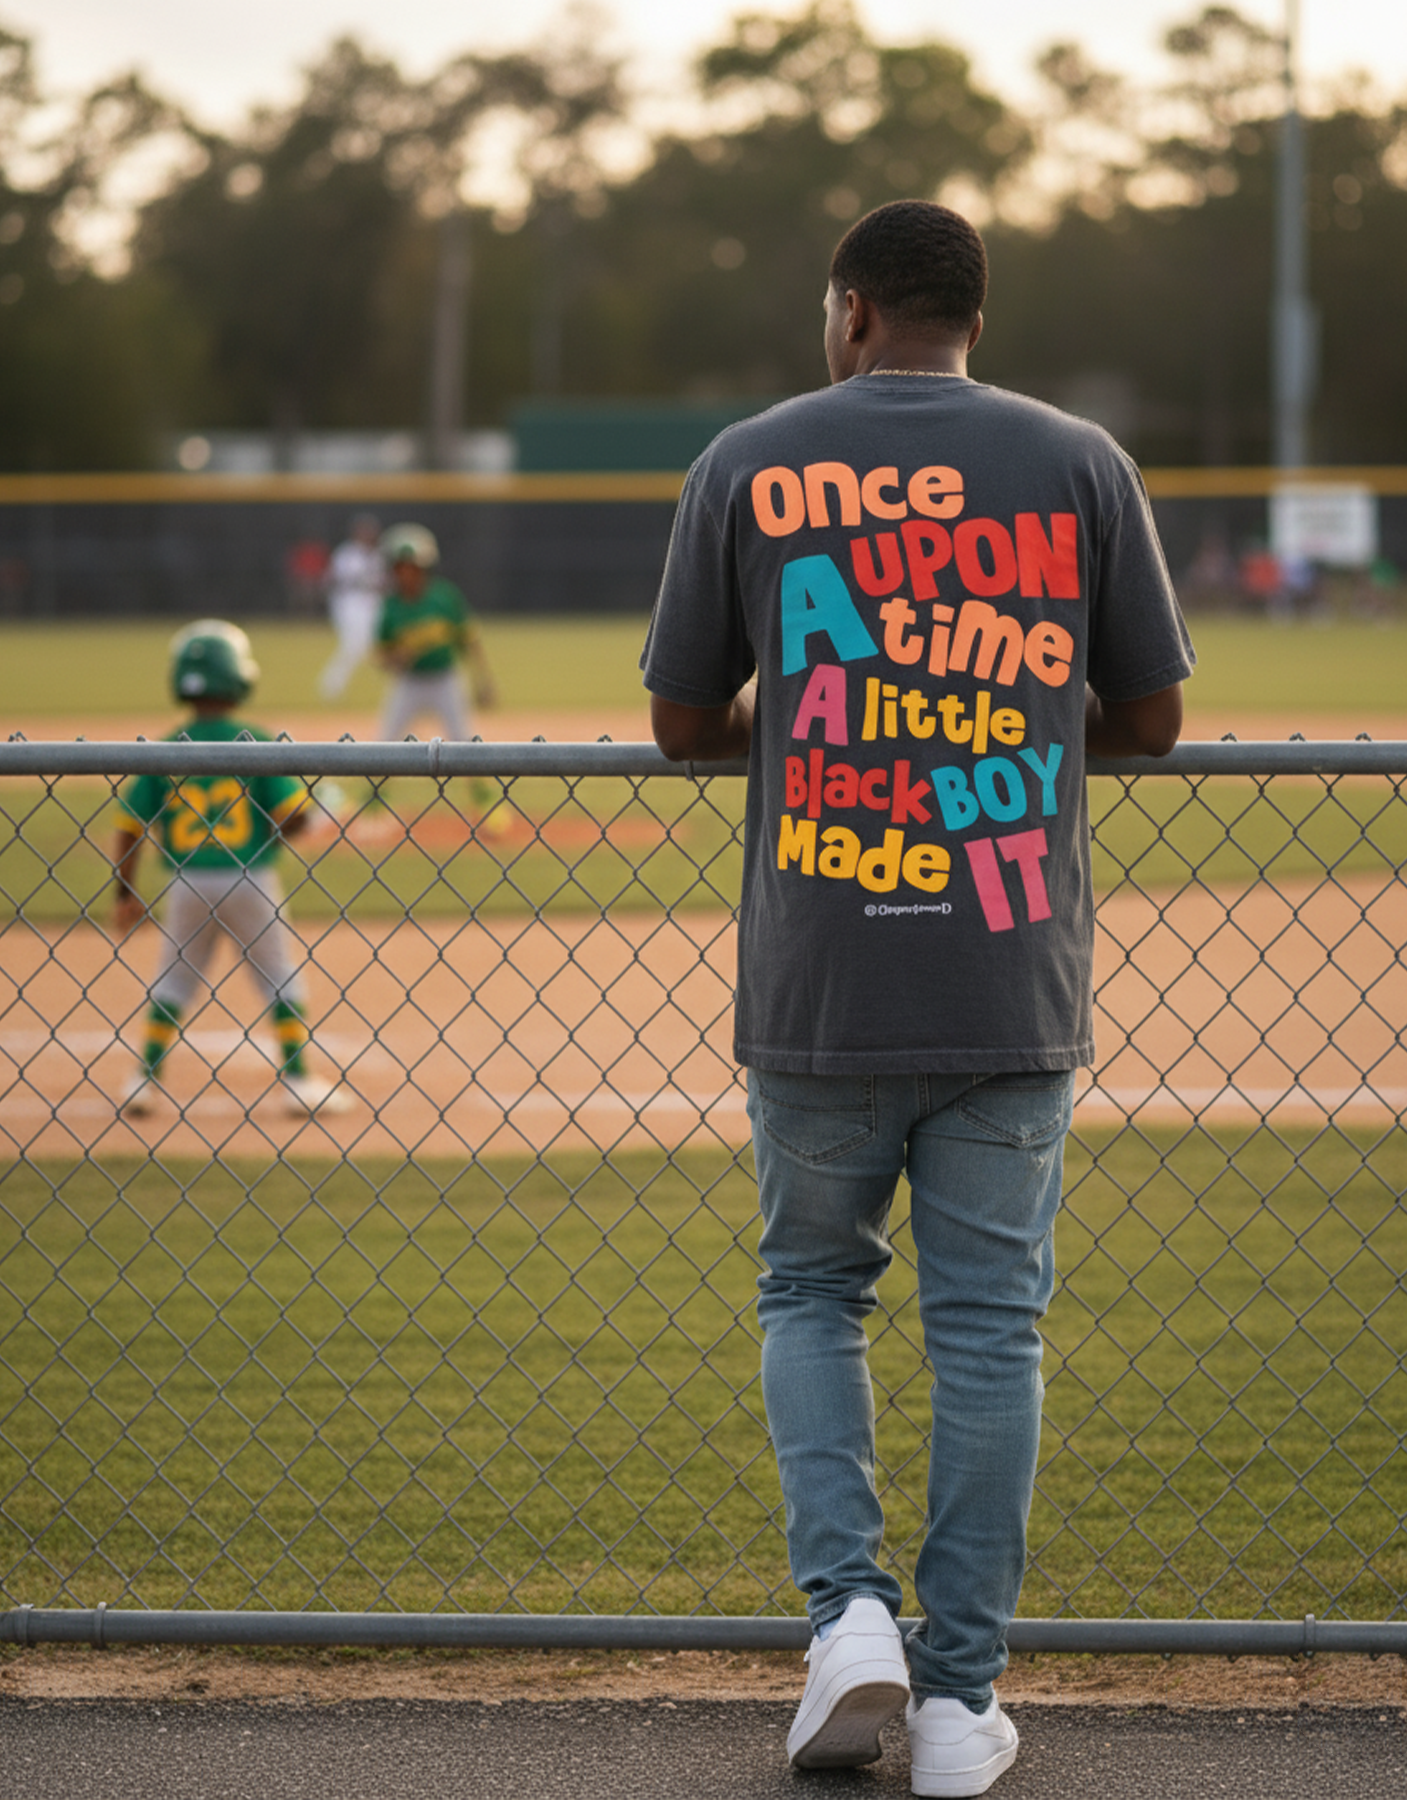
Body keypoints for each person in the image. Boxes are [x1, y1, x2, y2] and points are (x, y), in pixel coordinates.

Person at [640, 200, 1194, 1797]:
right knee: (989, 1334)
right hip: (1003, 965)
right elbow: (1148, 717)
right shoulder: (1077, 458)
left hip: (819, 964)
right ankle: (956, 1708)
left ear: (851, 309)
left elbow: (684, 720)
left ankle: (848, 1625)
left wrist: (829, 689)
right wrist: (988, 688)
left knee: (809, 1295)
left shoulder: (748, 458)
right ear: (974, 316)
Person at [113, 620, 351, 1119]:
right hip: (250, 876)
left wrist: (123, 892)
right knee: (279, 977)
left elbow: (129, 826)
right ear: (239, 677)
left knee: (174, 980)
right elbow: (295, 818)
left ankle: (144, 1080)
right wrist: (318, 805)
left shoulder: (167, 746)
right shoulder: (255, 741)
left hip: (186, 880)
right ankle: (299, 1082)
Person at [375, 521, 496, 741]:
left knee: (462, 741)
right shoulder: (390, 606)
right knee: (385, 744)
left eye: (412, 567)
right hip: (409, 682)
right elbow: (382, 655)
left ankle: (476, 777)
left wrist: (483, 681)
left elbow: (469, 641)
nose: (406, 574)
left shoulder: (444, 597)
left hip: (445, 681)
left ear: (424, 567)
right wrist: (396, 659)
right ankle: (376, 777)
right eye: (401, 567)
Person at [318, 512, 385, 699]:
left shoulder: (377, 555)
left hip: (371, 605)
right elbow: (336, 581)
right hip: (349, 604)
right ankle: (331, 686)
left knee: (370, 647)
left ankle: (336, 687)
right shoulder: (347, 553)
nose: (368, 535)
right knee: (354, 647)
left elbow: (383, 583)